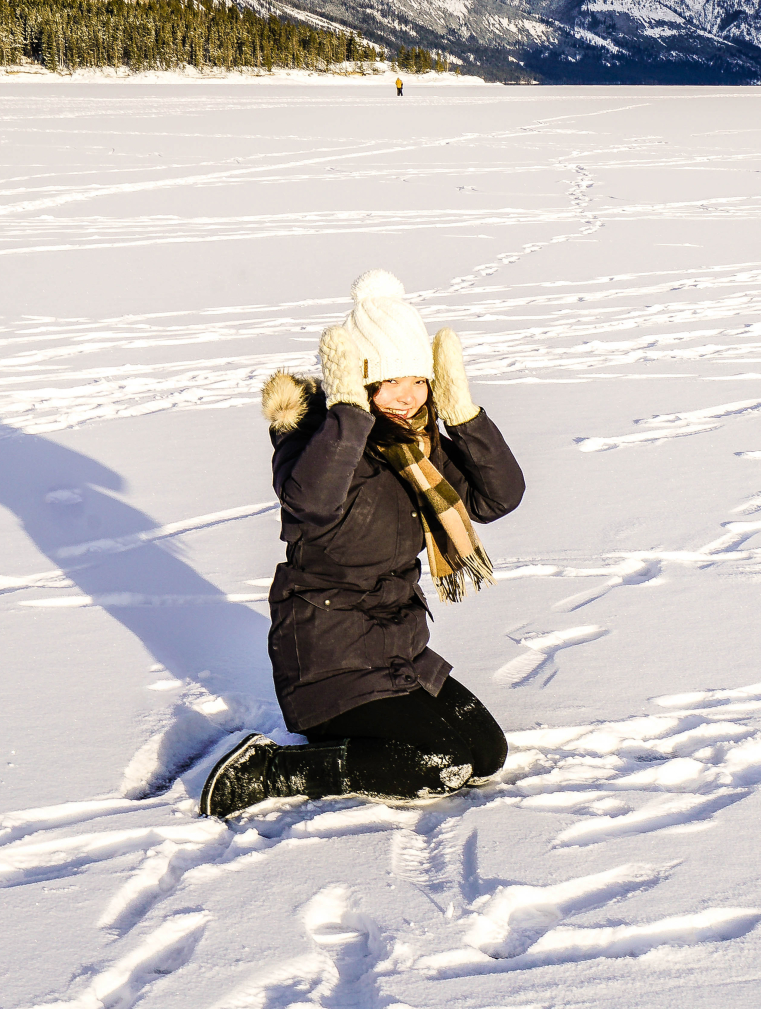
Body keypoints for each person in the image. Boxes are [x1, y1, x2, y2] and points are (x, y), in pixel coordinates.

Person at [200, 270, 525, 816]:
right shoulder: (312, 441)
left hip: (397, 646)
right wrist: (348, 413)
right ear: (359, 382)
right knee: (440, 761)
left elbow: (499, 498)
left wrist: (463, 413)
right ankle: (271, 772)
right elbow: (313, 500)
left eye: (418, 380)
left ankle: (361, 743)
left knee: (485, 755)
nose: (407, 396)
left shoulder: (419, 448)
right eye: (390, 382)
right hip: (328, 656)